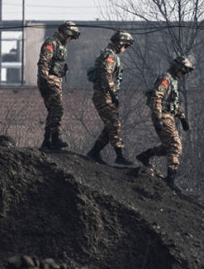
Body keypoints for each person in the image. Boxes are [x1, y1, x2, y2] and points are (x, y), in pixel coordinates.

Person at [136, 55, 194, 191]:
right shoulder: (165, 79)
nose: (183, 74)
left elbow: (173, 103)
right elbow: (157, 98)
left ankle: (145, 155)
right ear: (177, 67)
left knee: (168, 147)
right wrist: (157, 118)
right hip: (163, 115)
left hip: (169, 115)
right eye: (183, 71)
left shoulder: (174, 81)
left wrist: (183, 118)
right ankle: (170, 179)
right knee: (175, 145)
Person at [86, 30, 134, 165]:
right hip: (104, 95)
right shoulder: (109, 56)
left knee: (110, 126)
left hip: (106, 95)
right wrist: (113, 94)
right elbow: (106, 75)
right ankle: (120, 155)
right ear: (119, 43)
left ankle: (95, 152)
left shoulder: (110, 55)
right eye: (125, 46)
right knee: (114, 123)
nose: (125, 49)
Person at [37, 21, 81, 150]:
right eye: (71, 36)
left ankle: (48, 140)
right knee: (57, 109)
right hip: (49, 81)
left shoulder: (61, 45)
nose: (71, 40)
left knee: (55, 110)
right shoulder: (51, 43)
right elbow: (43, 62)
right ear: (66, 33)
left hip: (56, 81)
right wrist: (45, 79)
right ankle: (53, 138)